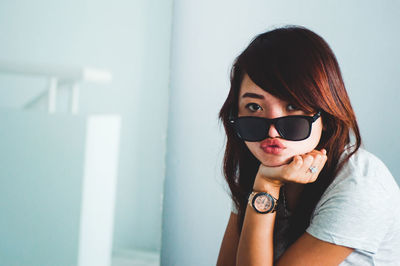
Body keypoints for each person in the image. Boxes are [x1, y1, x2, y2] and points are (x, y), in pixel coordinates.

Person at [216, 25, 400, 265]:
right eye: (254, 107)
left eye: (292, 106)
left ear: (325, 114)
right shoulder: (260, 162)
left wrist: (266, 186)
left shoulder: (359, 183)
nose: (271, 130)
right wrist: (265, 183)